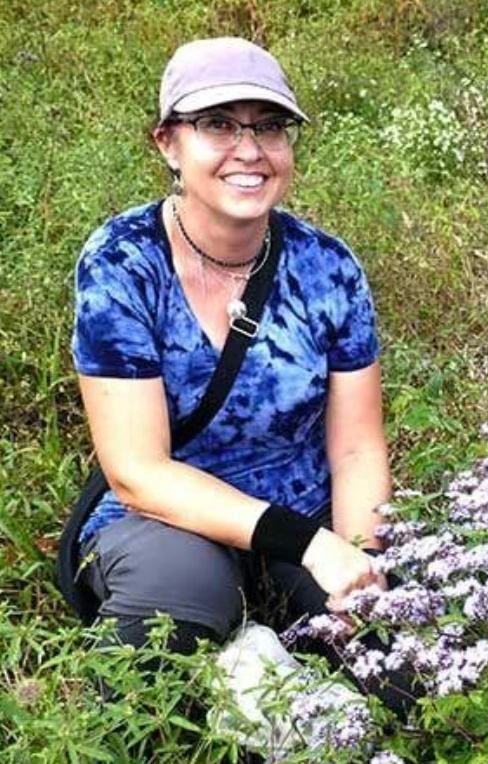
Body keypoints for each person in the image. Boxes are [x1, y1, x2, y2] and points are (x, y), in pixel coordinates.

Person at [70, 37, 396, 692]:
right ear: (168, 143)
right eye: (218, 124)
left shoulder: (328, 268)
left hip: (307, 514)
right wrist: (306, 543)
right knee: (181, 593)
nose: (249, 150)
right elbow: (137, 472)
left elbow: (357, 449)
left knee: (404, 661)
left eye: (269, 126)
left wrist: (360, 563)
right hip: (165, 521)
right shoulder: (123, 263)